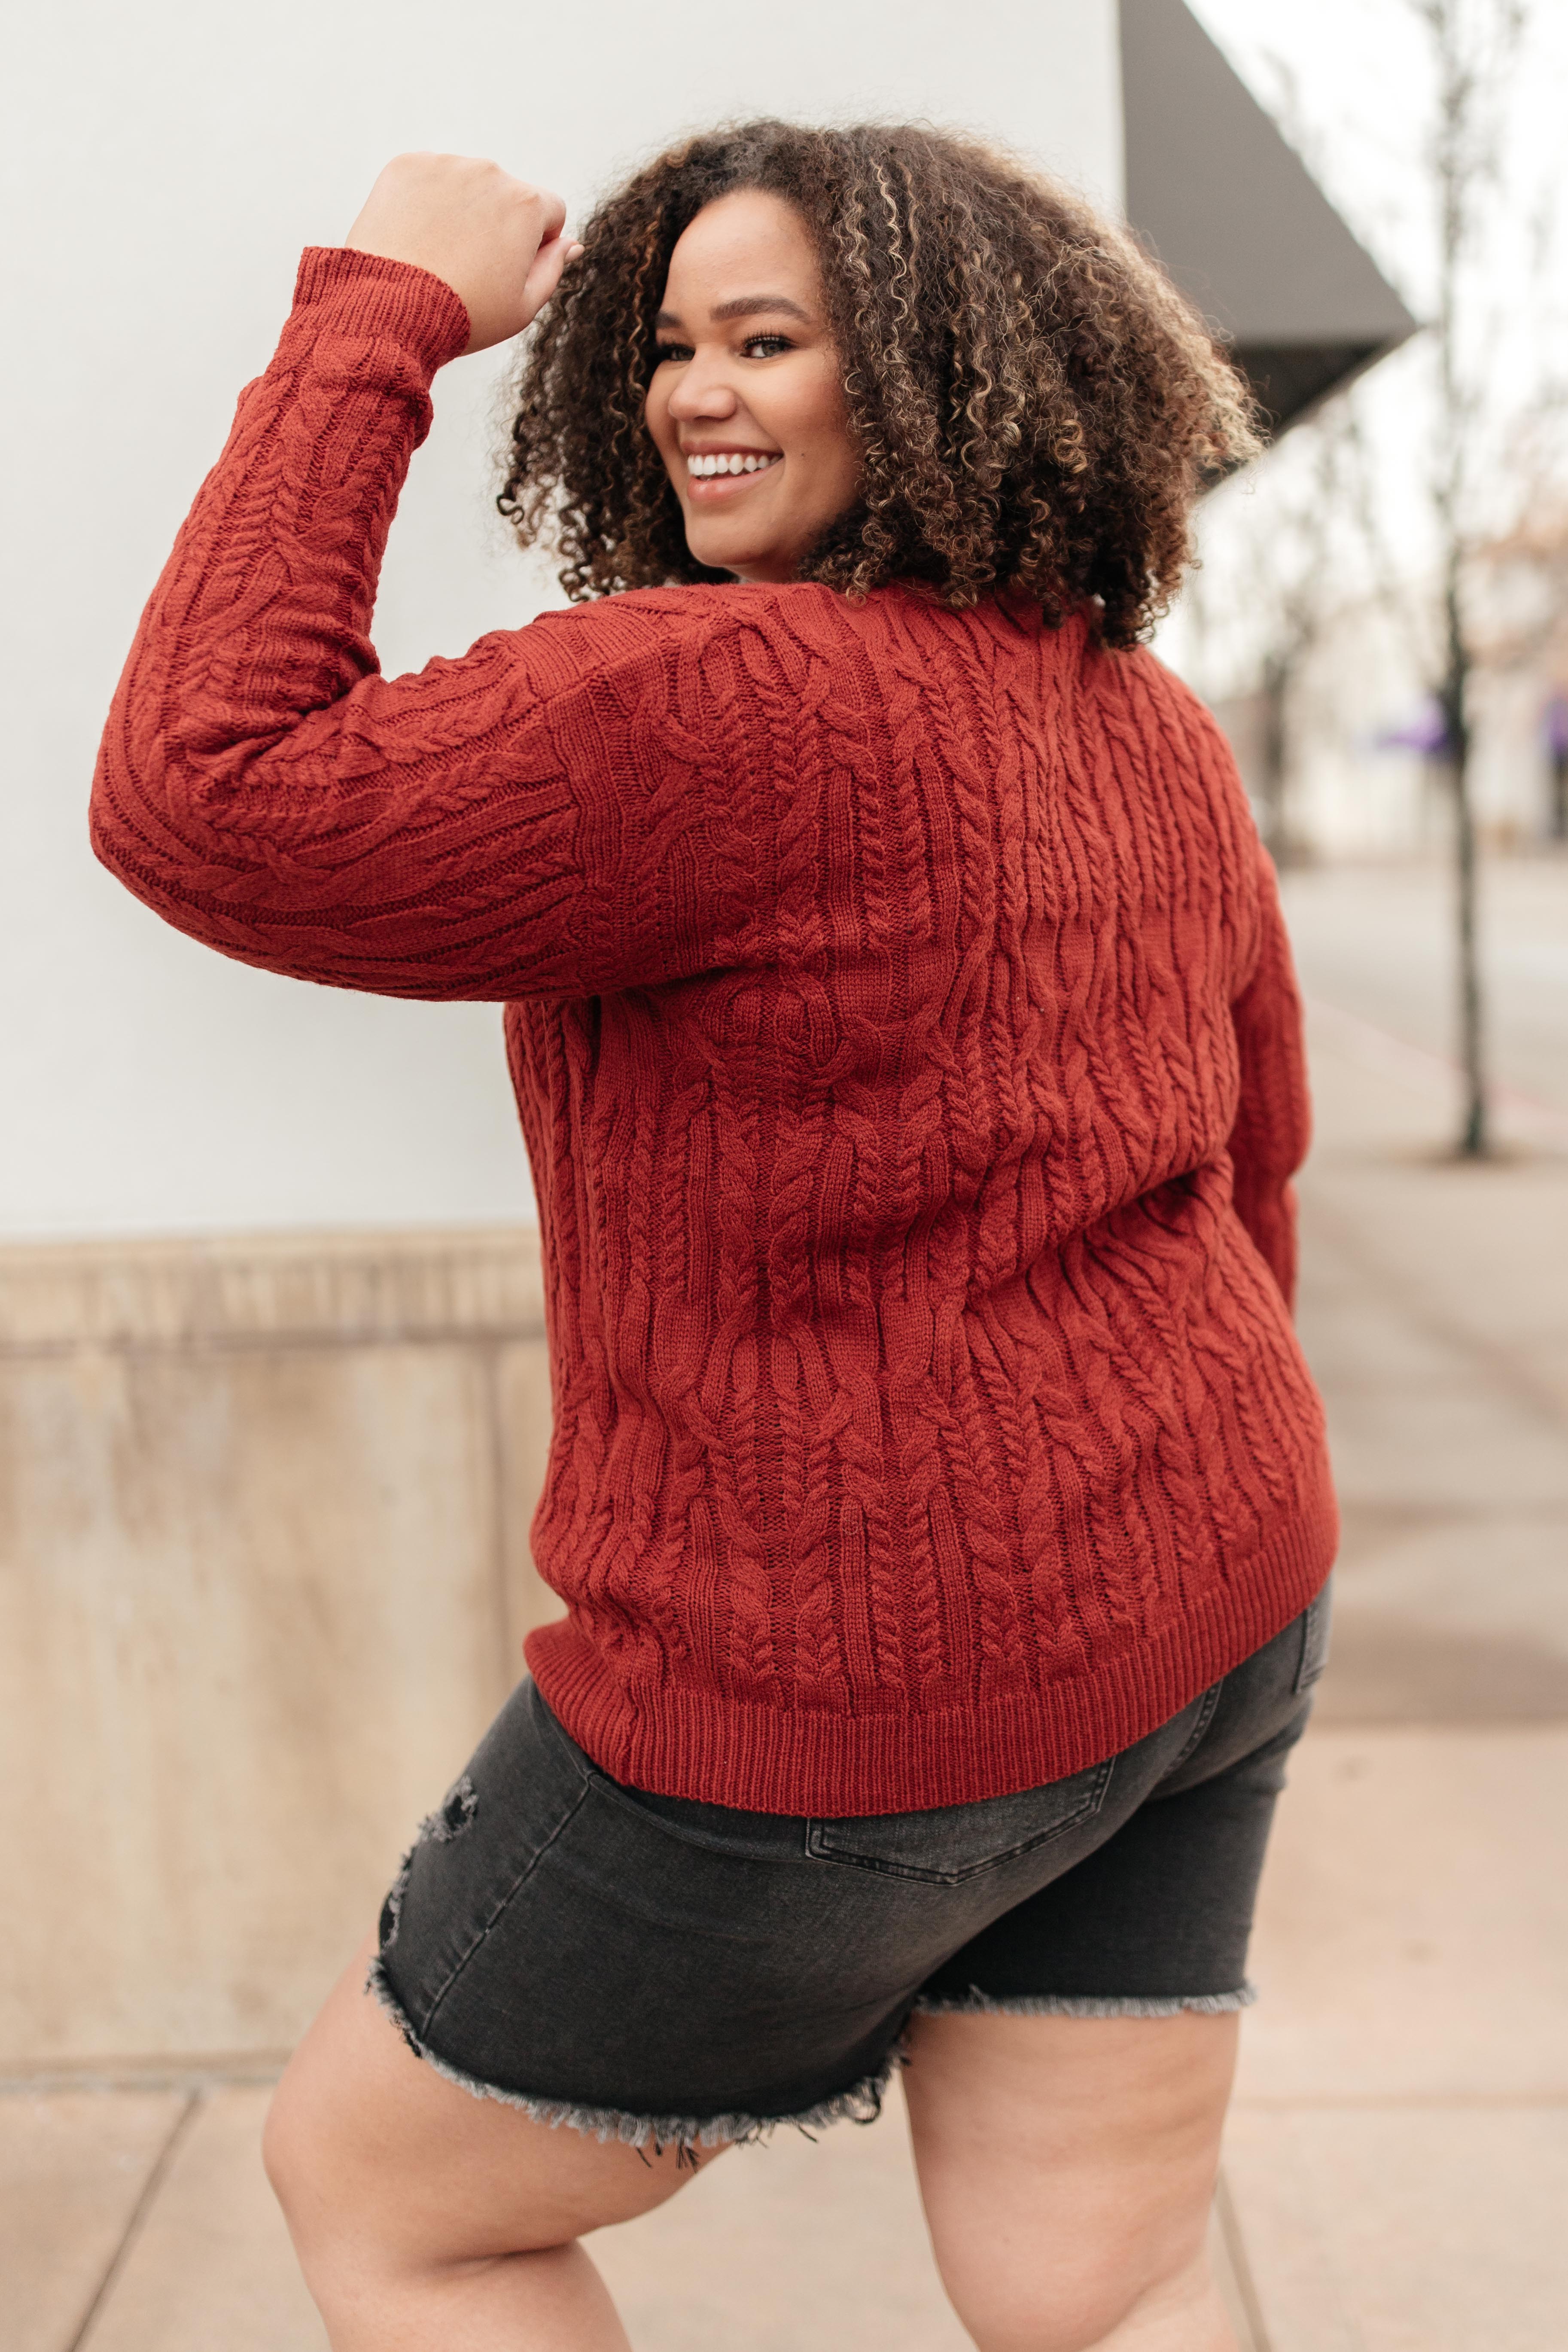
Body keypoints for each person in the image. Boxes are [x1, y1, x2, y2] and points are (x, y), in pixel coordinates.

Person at [91, 122, 1337, 2352]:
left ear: (951, 376)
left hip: (823, 1696)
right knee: (1097, 2281)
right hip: (1216, 1590)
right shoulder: (1142, 717)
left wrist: (375, 317)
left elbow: (204, 786)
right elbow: (1252, 1172)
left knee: (385, 2195)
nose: (691, 393)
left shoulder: (708, 703)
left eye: (766, 337)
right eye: (665, 344)